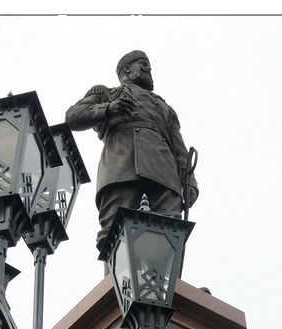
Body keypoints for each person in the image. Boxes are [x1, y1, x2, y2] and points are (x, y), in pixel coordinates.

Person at [65, 50, 199, 251]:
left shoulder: (164, 107)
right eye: (143, 64)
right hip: (122, 169)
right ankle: (116, 281)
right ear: (127, 69)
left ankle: (169, 282)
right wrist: (108, 109)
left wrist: (190, 183)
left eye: (149, 66)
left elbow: (180, 149)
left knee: (171, 231)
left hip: (165, 175)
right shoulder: (105, 94)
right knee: (114, 232)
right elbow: (72, 117)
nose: (149, 69)